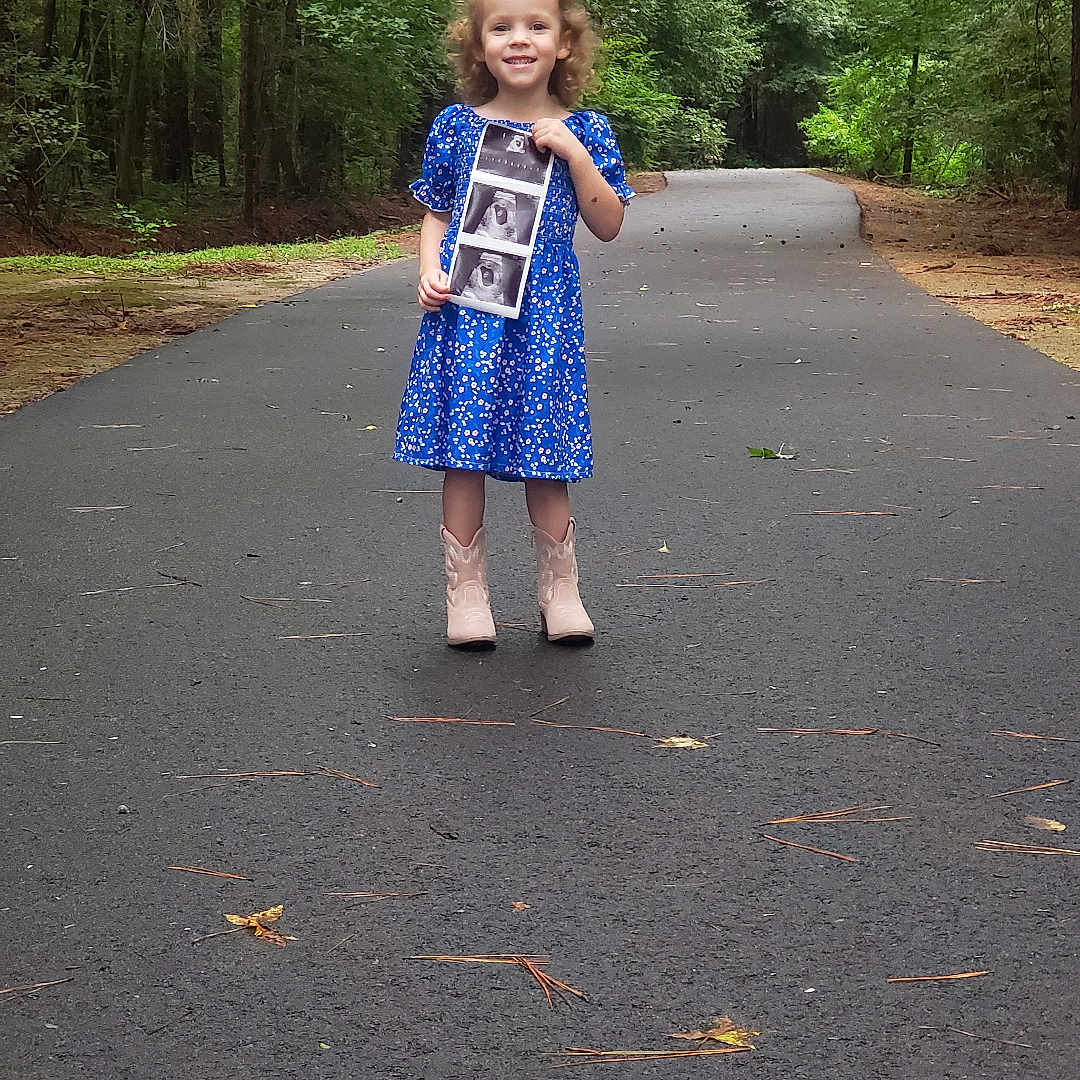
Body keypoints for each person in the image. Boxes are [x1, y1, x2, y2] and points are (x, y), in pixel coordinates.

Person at [394, 0, 635, 648]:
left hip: (545, 316)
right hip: (468, 312)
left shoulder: (587, 129)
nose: (519, 39)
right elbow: (437, 214)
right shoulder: (455, 127)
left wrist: (574, 155)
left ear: (564, 44)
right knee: (462, 452)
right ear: (478, 45)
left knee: (544, 451)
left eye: (536, 26)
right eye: (501, 26)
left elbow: (608, 223)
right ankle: (466, 592)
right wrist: (428, 272)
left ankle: (561, 590)